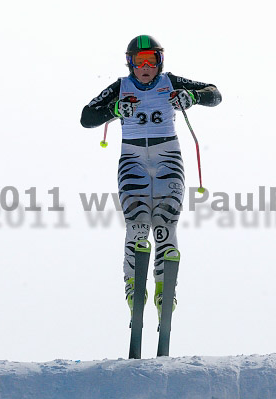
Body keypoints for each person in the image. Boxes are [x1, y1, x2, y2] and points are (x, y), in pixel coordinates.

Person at [80, 35, 222, 323]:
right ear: (129, 63)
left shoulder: (171, 82)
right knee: (138, 222)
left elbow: (215, 93)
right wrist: (115, 110)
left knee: (165, 221)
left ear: (160, 61)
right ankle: (134, 288)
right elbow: (86, 117)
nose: (145, 67)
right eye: (138, 61)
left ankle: (163, 288)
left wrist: (192, 97)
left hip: (167, 156)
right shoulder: (120, 88)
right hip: (133, 160)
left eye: (151, 60)